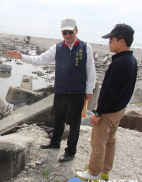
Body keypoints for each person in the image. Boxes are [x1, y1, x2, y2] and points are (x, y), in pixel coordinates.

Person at [7, 18, 96, 162]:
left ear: (76, 31)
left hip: (77, 92)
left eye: (70, 32)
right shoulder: (58, 47)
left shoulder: (86, 47)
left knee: (74, 123)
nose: (67, 35)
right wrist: (21, 57)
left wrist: (89, 89)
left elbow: (91, 70)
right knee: (58, 118)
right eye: (64, 32)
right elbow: (40, 60)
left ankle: (70, 151)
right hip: (61, 90)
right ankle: (55, 143)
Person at [76, 24, 137, 181]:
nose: (109, 42)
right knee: (110, 142)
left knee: (98, 143)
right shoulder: (132, 60)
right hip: (119, 109)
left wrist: (98, 112)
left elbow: (108, 91)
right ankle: (104, 171)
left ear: (121, 41)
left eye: (111, 39)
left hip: (108, 111)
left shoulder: (118, 63)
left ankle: (93, 172)